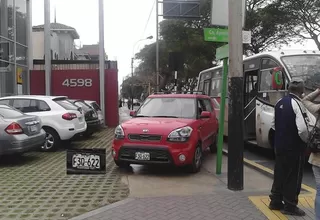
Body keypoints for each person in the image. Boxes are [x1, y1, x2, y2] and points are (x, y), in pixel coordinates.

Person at [269, 77, 311, 216]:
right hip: (294, 148)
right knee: (293, 176)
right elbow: (303, 129)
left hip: (279, 146)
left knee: (279, 174)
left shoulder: (279, 102)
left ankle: (275, 201)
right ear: (302, 91)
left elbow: (274, 125)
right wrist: (305, 142)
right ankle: (290, 205)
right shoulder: (297, 104)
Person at [302, 88, 320, 219]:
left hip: (317, 159)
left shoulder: (318, 108)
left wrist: (318, 90)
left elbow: (305, 100)